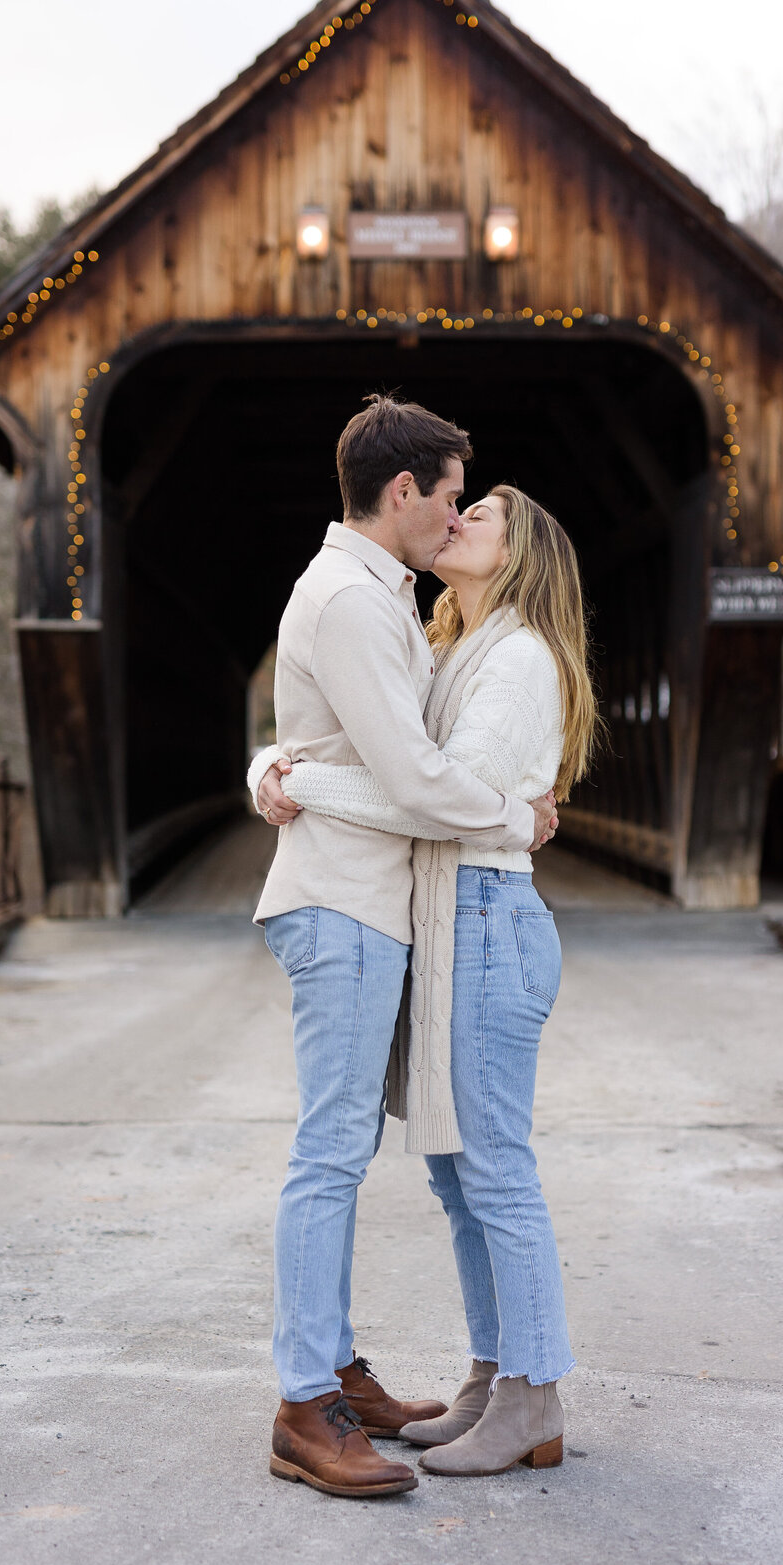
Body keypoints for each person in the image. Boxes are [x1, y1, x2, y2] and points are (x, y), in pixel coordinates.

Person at [248, 396, 558, 1499]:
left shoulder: (388, 602)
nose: (456, 514)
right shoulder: (351, 600)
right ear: (402, 493)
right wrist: (517, 818)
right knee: (331, 1151)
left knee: (366, 1151)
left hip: (380, 904)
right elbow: (413, 778)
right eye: (452, 495)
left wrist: (280, 770)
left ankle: (333, 1367)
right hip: (345, 901)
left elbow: (349, 750)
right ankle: (304, 1403)